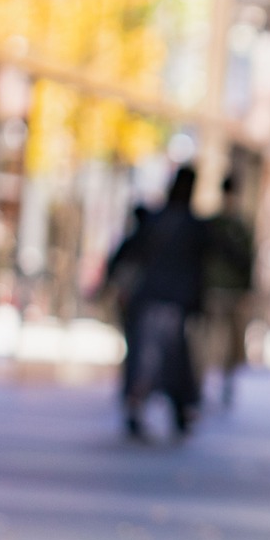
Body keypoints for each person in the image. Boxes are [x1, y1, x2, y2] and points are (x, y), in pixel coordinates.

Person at [105, 165, 208, 439]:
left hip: (149, 298)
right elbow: (199, 270)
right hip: (173, 301)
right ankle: (177, 409)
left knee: (147, 356)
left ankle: (138, 404)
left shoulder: (155, 218)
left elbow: (127, 250)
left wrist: (110, 278)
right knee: (171, 358)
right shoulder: (194, 227)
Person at [202, 171, 256, 406]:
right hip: (215, 290)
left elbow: (248, 261)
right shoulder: (219, 225)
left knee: (229, 342)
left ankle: (224, 383)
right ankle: (208, 384)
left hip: (230, 291)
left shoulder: (237, 226)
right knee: (212, 340)